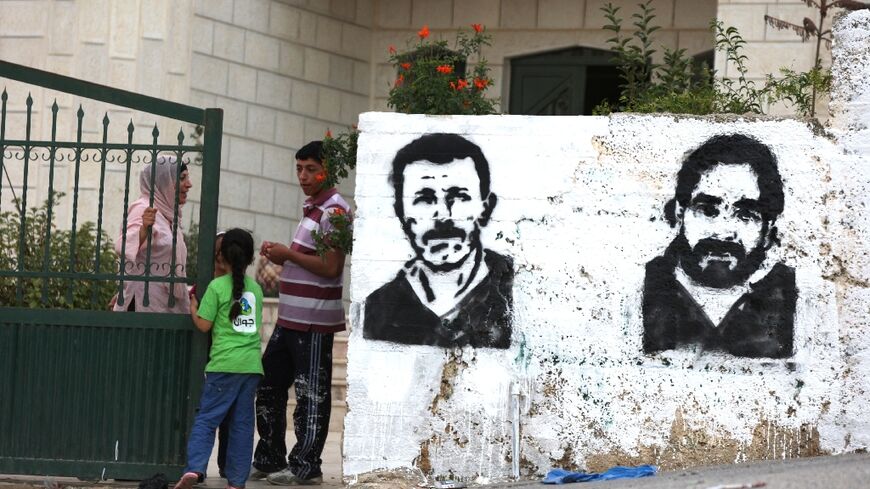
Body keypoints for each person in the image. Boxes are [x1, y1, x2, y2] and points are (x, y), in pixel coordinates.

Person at [642, 134, 797, 358]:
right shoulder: (639, 291)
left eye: (745, 214)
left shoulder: (792, 298)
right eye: (707, 210)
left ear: (767, 229)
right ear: (679, 213)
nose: (724, 231)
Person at [252, 141, 352, 486]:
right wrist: (282, 255)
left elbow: (331, 266)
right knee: (268, 385)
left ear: (328, 170)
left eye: (311, 169)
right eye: (299, 169)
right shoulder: (313, 208)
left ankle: (305, 467)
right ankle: (270, 459)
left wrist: (288, 256)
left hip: (313, 320)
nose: (303, 176)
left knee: (311, 395)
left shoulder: (334, 211)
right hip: (290, 317)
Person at [363, 133, 514, 349]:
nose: (443, 215)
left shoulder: (515, 290)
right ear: (400, 213)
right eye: (424, 199)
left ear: (486, 208)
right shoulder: (379, 309)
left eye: (459, 196)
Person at [175, 228, 263, 489]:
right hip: (250, 367)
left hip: (223, 365)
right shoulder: (256, 290)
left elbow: (203, 325)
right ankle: (236, 482)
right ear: (249, 259)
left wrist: (192, 307)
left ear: (221, 257)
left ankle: (195, 469)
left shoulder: (216, 287)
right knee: (242, 425)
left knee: (207, 418)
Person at [114, 154, 193, 313]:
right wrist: (144, 229)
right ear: (166, 182)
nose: (189, 184)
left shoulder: (169, 215)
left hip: (164, 305)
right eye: (182, 178)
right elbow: (123, 247)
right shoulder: (144, 207)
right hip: (143, 306)